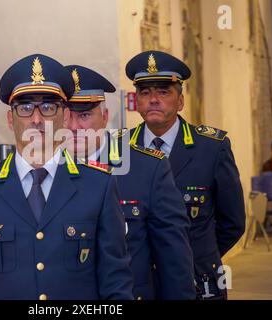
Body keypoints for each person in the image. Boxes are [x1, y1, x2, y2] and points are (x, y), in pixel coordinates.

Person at [0, 54, 134, 300]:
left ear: (64, 117)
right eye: (25, 108)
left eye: (48, 107)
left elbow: (116, 285)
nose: (36, 119)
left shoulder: (98, 186)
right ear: (10, 119)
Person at [64, 64, 195, 300]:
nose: (74, 127)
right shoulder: (42, 172)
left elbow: (173, 259)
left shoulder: (147, 168)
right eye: (66, 115)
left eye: (84, 115)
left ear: (104, 117)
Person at [125, 50, 246, 300]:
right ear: (136, 101)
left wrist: (197, 256)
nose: (153, 100)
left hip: (198, 281)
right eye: (145, 93)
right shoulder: (119, 150)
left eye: (163, 91)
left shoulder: (211, 147)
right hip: (138, 286)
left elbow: (232, 222)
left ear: (180, 101)